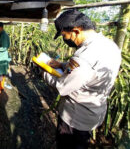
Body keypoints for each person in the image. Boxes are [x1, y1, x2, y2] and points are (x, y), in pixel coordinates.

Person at [43, 10, 121, 149]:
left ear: (76, 30)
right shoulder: (109, 45)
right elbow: (90, 71)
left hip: (75, 118)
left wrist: (44, 71)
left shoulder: (84, 56)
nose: (66, 40)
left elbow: (63, 87)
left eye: (65, 36)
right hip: (93, 113)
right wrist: (62, 64)